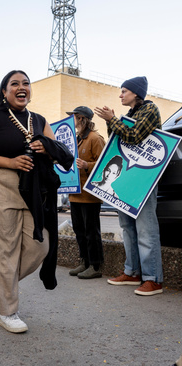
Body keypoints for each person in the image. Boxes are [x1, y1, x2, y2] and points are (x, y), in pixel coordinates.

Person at [0, 70, 72, 334]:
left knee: (40, 245)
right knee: (5, 249)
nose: (21, 87)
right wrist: (11, 162)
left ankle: (3, 280)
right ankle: (7, 312)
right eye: (14, 83)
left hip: (32, 188)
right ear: (4, 91)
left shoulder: (39, 120)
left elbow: (55, 152)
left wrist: (45, 149)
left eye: (26, 83)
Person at [95, 76, 163, 296]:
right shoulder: (130, 115)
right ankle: (132, 271)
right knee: (127, 227)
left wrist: (113, 119)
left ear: (136, 93)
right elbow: (117, 141)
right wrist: (111, 121)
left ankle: (153, 279)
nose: (120, 95)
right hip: (128, 177)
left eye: (124, 91)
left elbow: (133, 136)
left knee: (146, 228)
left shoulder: (149, 110)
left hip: (143, 178)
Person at [66, 106, 106, 279]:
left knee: (91, 232)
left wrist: (87, 165)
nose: (72, 121)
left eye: (74, 118)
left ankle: (95, 266)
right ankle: (85, 262)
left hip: (89, 196)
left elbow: (105, 164)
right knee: (79, 231)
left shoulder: (95, 138)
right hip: (75, 194)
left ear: (81, 119)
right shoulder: (76, 138)